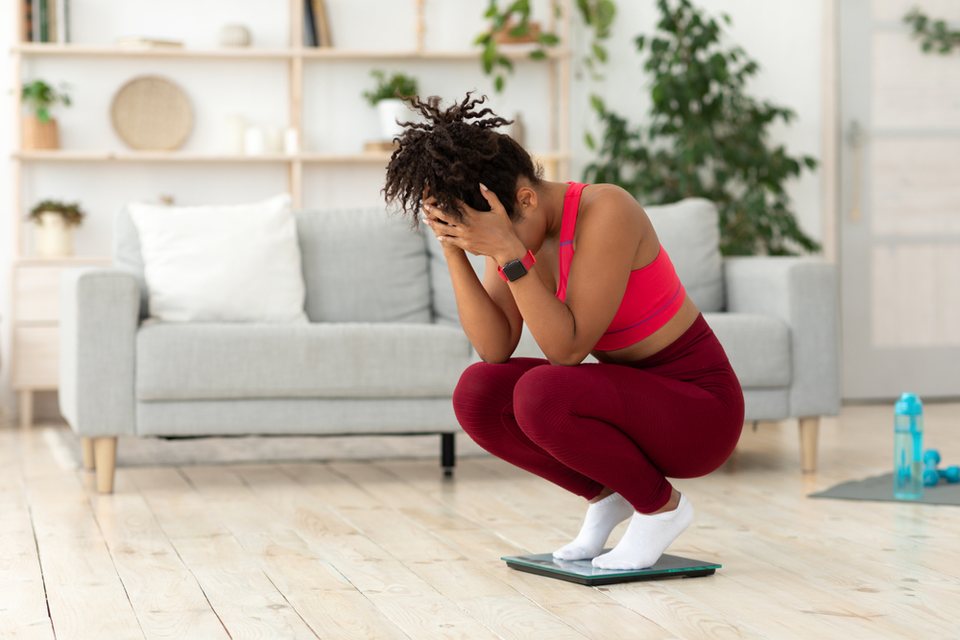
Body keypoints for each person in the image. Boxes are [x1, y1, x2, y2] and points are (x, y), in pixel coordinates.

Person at [383, 94, 744, 570]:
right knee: (478, 391)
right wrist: (453, 246)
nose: (486, 251)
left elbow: (568, 351)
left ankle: (661, 509)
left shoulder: (607, 209)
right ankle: (611, 493)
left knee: (541, 393)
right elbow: (493, 348)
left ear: (526, 199)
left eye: (484, 238)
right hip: (638, 405)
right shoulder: (512, 234)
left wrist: (507, 252)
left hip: (699, 414)